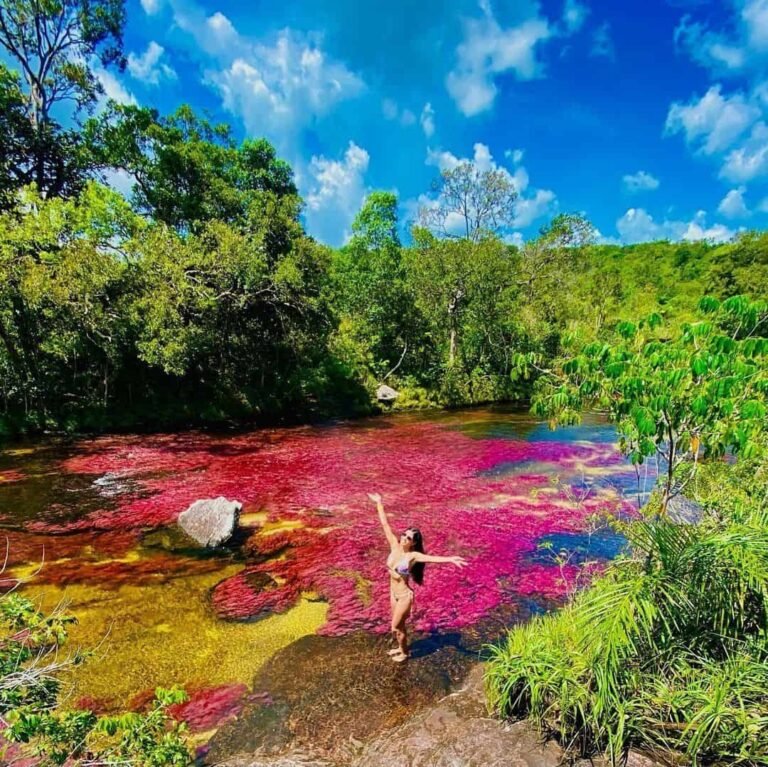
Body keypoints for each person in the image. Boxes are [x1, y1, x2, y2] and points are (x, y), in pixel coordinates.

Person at [368, 492, 468, 663]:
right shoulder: (394, 545)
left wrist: (451, 559)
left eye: (408, 538)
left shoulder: (413, 556)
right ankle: (401, 647)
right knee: (399, 626)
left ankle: (405, 653)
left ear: (413, 543)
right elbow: (384, 524)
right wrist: (379, 503)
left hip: (404, 597)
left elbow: (433, 559)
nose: (404, 538)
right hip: (393, 594)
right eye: (404, 535)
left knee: (395, 626)